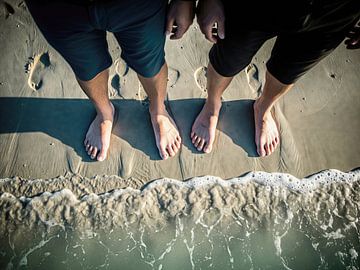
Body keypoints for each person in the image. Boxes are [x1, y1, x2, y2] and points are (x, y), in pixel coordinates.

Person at [170, 0, 360, 157]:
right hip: (260, 5)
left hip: (338, 12)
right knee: (229, 58)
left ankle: (263, 107)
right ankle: (212, 105)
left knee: (288, 70)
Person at [25, 0, 194, 161]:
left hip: (138, 4)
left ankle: (158, 110)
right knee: (87, 67)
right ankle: (105, 113)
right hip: (58, 6)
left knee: (149, 62)